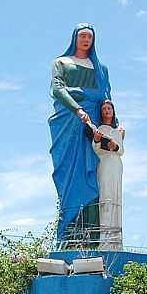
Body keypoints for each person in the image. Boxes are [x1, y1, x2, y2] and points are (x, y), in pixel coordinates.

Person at [49, 23, 112, 248]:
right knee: (71, 177)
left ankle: (92, 239)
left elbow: (106, 98)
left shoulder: (101, 68)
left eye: (90, 36)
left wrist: (114, 127)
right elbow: (57, 89)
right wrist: (78, 108)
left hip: (94, 127)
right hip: (70, 124)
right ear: (75, 37)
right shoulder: (61, 63)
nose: (86, 40)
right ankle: (69, 238)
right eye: (82, 36)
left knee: (94, 176)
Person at [90, 100, 124, 250]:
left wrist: (115, 146)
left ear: (113, 111)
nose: (106, 111)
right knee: (106, 197)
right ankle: (105, 240)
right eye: (103, 108)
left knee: (116, 198)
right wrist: (97, 141)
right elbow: (96, 150)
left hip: (116, 164)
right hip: (104, 163)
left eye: (109, 108)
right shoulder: (99, 129)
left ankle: (116, 241)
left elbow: (121, 150)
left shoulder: (119, 130)